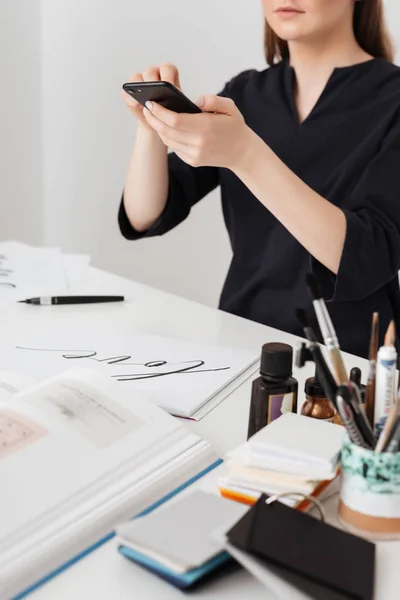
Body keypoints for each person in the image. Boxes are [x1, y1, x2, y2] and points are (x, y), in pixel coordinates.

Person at [119, 0, 400, 358]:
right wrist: (151, 125)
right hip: (241, 346)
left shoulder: (393, 101)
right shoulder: (246, 94)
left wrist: (246, 155)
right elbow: (144, 214)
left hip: (349, 364)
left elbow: (365, 256)